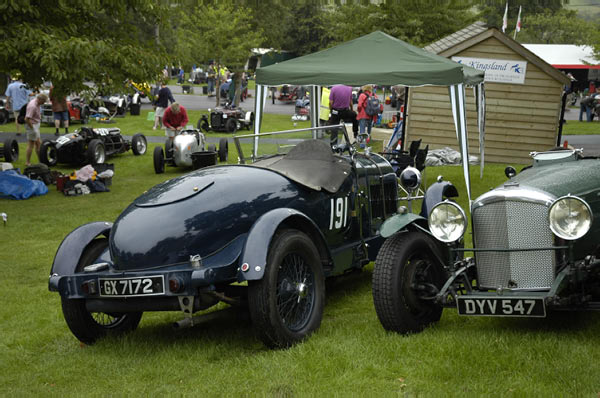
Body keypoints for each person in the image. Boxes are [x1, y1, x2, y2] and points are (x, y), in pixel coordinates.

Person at [24, 93, 48, 166]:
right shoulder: (33, 106)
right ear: (40, 99)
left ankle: (40, 161)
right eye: (43, 101)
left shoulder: (37, 103)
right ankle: (27, 162)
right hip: (32, 125)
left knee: (38, 144)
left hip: (35, 124)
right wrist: (33, 129)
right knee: (31, 144)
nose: (43, 103)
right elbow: (27, 119)